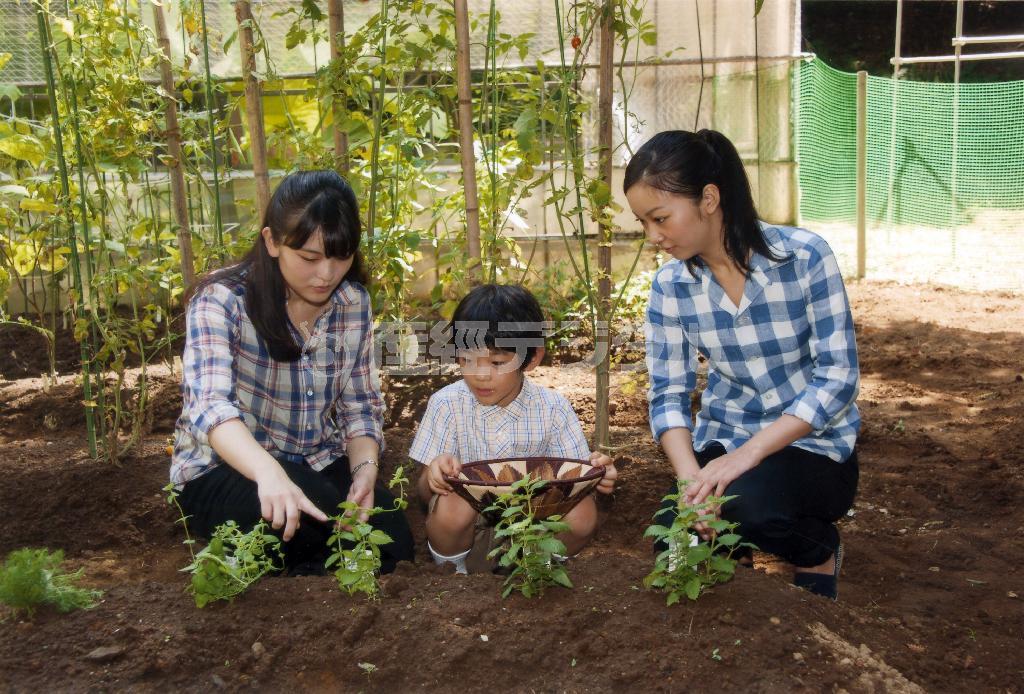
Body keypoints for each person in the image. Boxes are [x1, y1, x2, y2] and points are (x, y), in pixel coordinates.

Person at [625, 130, 860, 600]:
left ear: (709, 198)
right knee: (675, 535)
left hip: (813, 446)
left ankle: (818, 549)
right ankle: (736, 555)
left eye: (661, 218)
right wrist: (692, 480)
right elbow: (669, 393)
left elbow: (837, 378)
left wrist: (745, 457)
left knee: (748, 509)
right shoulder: (671, 286)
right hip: (726, 436)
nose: (654, 236)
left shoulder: (804, 258)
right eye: (643, 223)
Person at [170, 170, 413, 574]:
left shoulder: (351, 302)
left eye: (341, 257)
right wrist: (268, 471)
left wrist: (364, 472)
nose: (326, 275)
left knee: (395, 542)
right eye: (310, 258)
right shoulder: (221, 301)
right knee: (309, 527)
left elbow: (360, 406)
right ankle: (264, 573)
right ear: (272, 242)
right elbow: (211, 407)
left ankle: (280, 569)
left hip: (315, 461)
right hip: (225, 467)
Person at [409, 284, 617, 573]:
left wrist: (596, 475)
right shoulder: (447, 404)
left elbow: (574, 479)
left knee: (582, 513)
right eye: (467, 359)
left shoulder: (553, 408)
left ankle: (538, 568)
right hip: (472, 534)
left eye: (497, 362)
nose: (480, 375)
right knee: (452, 503)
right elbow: (423, 492)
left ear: (531, 359)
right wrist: (435, 475)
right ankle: (452, 576)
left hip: (534, 528)